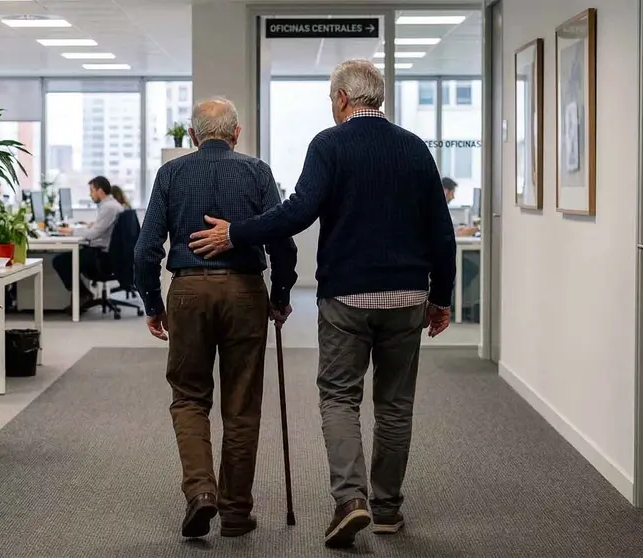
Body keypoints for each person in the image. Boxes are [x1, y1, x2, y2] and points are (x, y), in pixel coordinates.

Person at [189, 59, 456, 548]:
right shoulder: (415, 148)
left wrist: (237, 233)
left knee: (340, 397)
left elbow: (299, 211)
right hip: (407, 297)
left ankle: (351, 501)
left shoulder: (329, 144)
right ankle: (389, 510)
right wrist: (442, 297)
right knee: (395, 404)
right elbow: (442, 229)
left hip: (347, 297)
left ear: (341, 99)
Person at [134, 97, 298, 540]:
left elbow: (146, 248)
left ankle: (201, 492)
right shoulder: (257, 172)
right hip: (245, 293)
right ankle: (237, 513)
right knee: (242, 404)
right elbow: (282, 241)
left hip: (188, 293)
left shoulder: (171, 174)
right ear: (236, 133)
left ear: (192, 136)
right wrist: (280, 294)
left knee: (189, 398)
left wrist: (153, 304)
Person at [51, 176, 124, 311]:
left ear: (100, 191)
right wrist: (89, 227)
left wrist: (71, 231)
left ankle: (83, 294)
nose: (90, 194)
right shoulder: (111, 205)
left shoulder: (109, 207)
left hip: (102, 257)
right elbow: (99, 229)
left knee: (60, 261)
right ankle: (83, 294)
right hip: (105, 253)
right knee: (68, 257)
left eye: (91, 191)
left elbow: (94, 234)